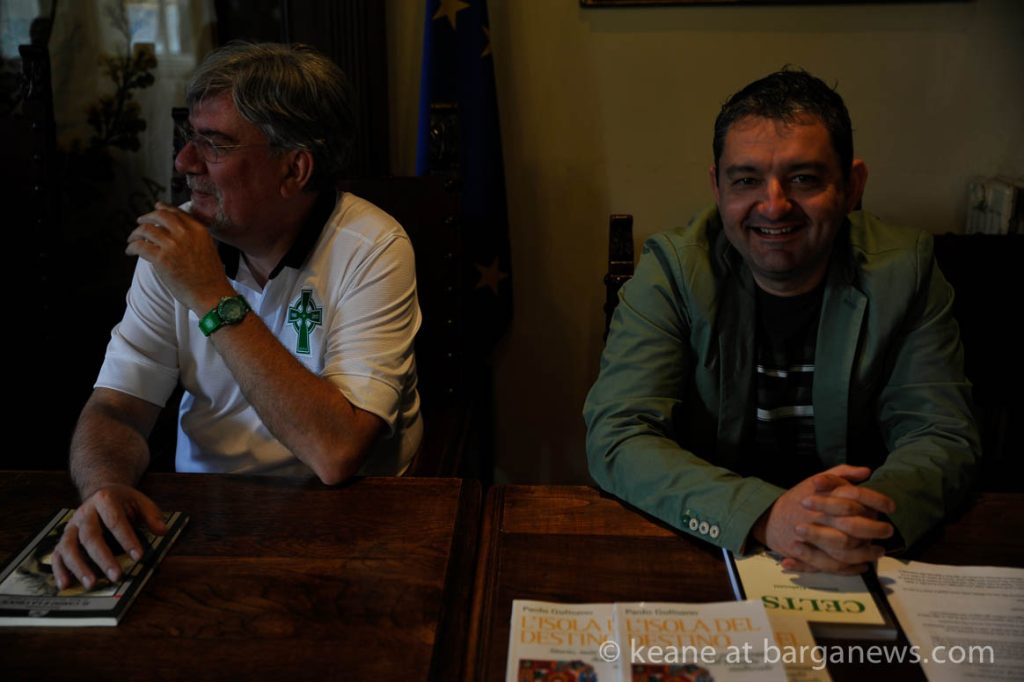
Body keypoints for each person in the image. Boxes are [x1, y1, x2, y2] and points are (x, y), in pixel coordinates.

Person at [53, 43, 422, 589]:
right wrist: (104, 488)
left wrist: (210, 295)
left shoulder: (373, 248)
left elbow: (336, 452)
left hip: (351, 521)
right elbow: (117, 409)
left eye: (215, 144)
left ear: (294, 169)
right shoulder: (174, 243)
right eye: (189, 137)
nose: (184, 162)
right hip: (204, 513)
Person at [584, 68, 979, 575]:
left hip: (858, 556)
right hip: (715, 548)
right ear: (717, 187)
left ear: (852, 186)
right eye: (746, 180)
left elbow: (941, 433)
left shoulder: (907, 269)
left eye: (804, 179)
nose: (774, 206)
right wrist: (766, 515)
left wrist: (853, 520)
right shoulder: (674, 270)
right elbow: (618, 434)